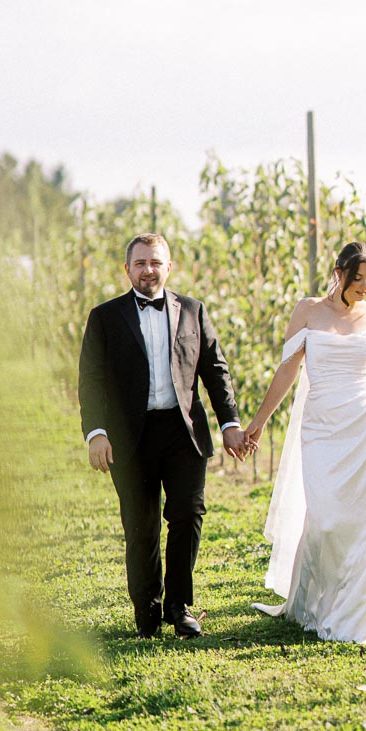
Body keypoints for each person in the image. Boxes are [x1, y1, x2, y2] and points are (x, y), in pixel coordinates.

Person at [79, 233, 247, 639]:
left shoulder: (193, 310)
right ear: (127, 270)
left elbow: (215, 369)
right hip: (128, 436)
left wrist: (230, 424)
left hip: (182, 431)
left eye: (155, 262)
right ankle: (147, 610)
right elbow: (91, 379)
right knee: (141, 525)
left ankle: (179, 606)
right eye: (140, 263)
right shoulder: (105, 317)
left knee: (188, 514)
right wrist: (96, 433)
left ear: (169, 267)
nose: (148, 270)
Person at [244, 242, 366, 644]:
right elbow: (287, 370)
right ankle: (318, 601)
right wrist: (259, 422)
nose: (365, 287)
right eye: (358, 279)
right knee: (327, 517)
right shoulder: (308, 310)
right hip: (322, 427)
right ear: (339, 273)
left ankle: (358, 610)